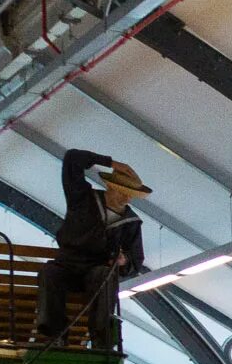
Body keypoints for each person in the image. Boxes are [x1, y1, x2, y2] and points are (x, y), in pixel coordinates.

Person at [35, 150, 149, 350]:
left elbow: (136, 261)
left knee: (103, 274)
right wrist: (111, 162)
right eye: (122, 191)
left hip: (97, 270)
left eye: (130, 195)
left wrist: (124, 261)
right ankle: (56, 336)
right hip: (67, 265)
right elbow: (72, 159)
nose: (125, 199)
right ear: (109, 186)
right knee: (49, 272)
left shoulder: (131, 223)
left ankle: (100, 341)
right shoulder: (81, 197)